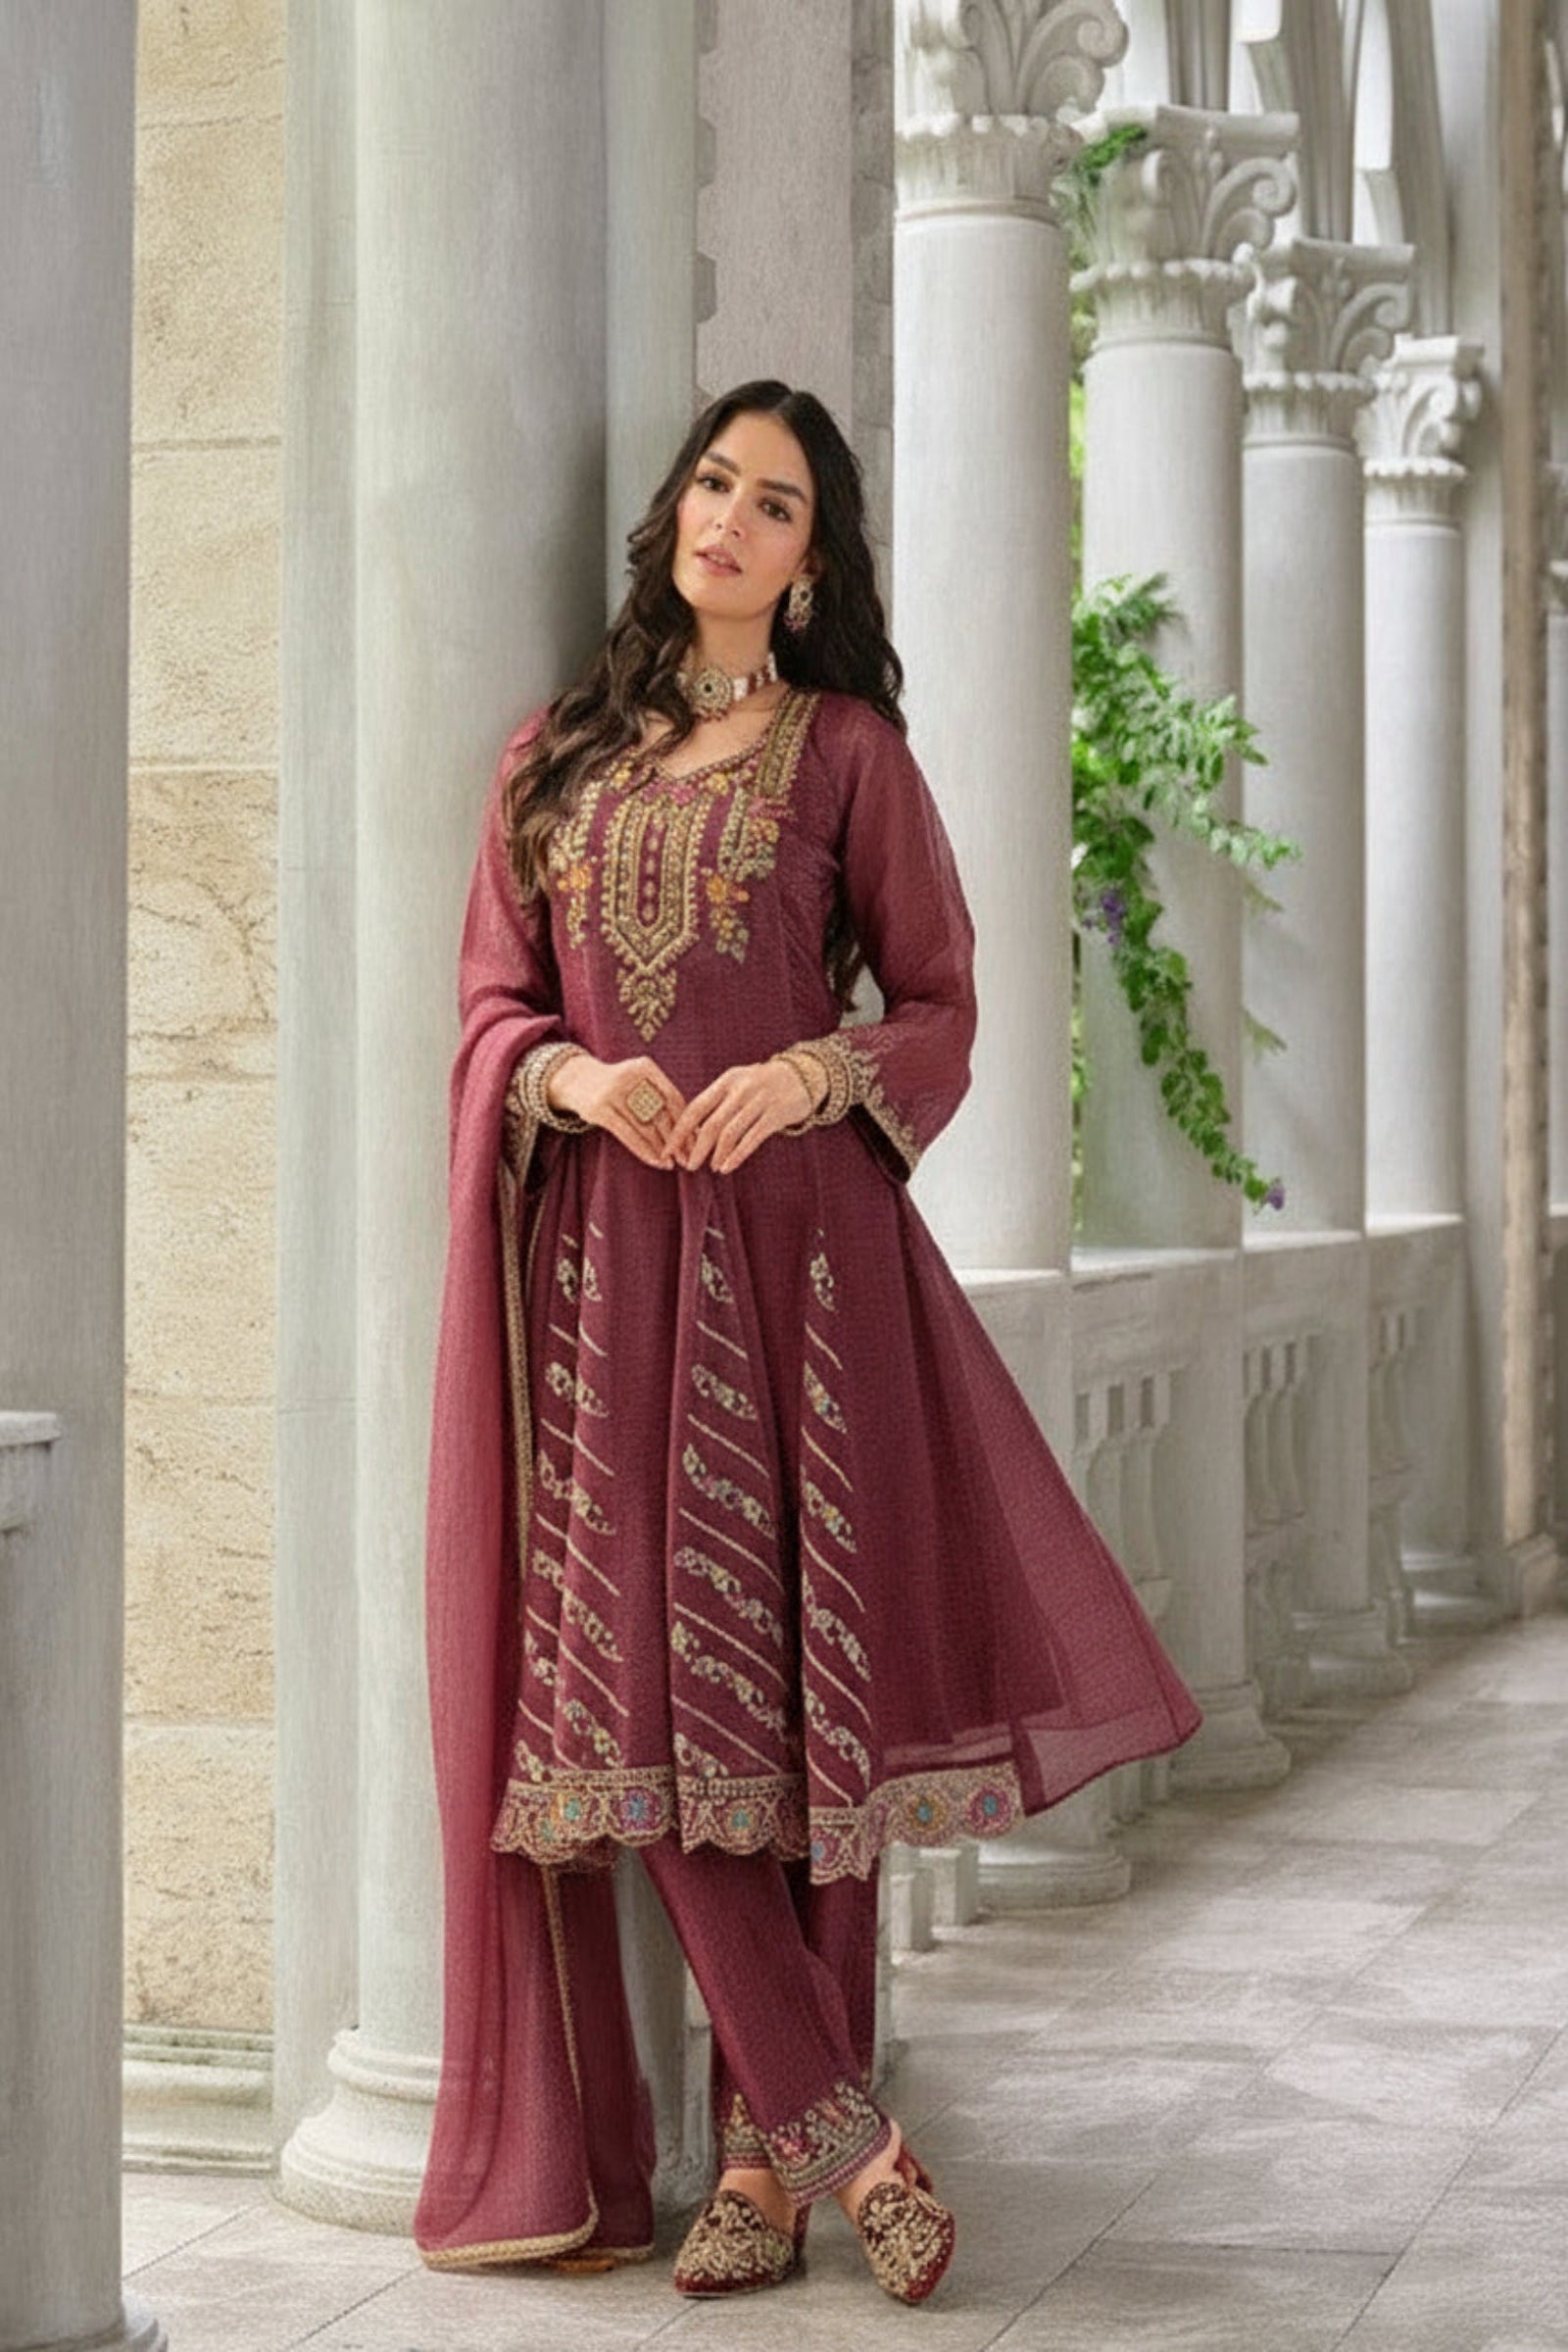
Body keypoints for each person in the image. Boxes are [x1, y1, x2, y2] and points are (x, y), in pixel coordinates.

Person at [413, 378, 1201, 2306]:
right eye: (710, 484)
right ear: (670, 515)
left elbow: (937, 999)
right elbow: (489, 998)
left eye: (772, 505)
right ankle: (847, 2137)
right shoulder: (560, 757)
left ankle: (767, 2168)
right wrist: (572, 1077)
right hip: (608, 1275)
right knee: (644, 1722)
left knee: (804, 1700)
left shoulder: (847, 755)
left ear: (811, 559)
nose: (728, 521)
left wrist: (804, 1070)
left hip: (806, 1270)